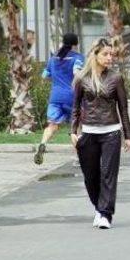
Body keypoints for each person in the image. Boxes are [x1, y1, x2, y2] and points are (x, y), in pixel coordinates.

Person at [71, 38, 130, 229]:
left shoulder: (116, 78)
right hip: (88, 133)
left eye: (111, 54)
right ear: (95, 55)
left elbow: (123, 107)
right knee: (90, 176)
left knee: (108, 173)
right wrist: (72, 131)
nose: (109, 58)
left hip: (111, 133)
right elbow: (75, 107)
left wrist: (128, 135)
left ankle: (105, 214)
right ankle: (98, 208)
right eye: (105, 54)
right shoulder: (82, 78)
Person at [34, 33, 85, 165]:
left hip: (55, 97)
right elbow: (76, 73)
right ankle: (80, 158)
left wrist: (57, 79)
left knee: (52, 125)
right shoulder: (78, 57)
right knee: (76, 128)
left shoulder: (53, 58)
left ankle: (42, 144)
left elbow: (44, 75)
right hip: (72, 97)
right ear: (75, 44)